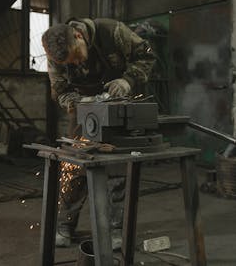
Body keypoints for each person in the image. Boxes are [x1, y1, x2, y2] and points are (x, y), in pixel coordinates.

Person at [42, 18, 156, 249]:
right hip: (83, 110)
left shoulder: (113, 32)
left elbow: (147, 55)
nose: (78, 62)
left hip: (119, 105)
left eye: (77, 55)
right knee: (74, 165)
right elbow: (61, 90)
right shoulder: (56, 57)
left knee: (117, 166)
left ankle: (115, 229)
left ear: (78, 36)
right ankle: (65, 224)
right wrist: (79, 102)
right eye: (71, 62)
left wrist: (128, 80)